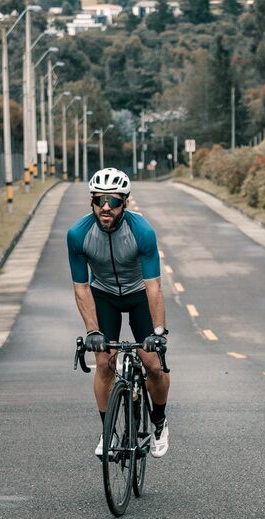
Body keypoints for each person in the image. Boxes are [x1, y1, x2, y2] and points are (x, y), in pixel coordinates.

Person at [67, 167, 171, 459]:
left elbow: (154, 287)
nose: (105, 207)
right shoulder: (78, 234)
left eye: (113, 201)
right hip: (104, 295)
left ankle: (160, 422)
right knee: (104, 363)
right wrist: (92, 331)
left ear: (125, 202)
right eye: (99, 200)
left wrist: (158, 332)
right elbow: (81, 288)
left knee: (153, 364)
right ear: (91, 201)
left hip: (139, 294)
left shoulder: (142, 231)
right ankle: (108, 429)